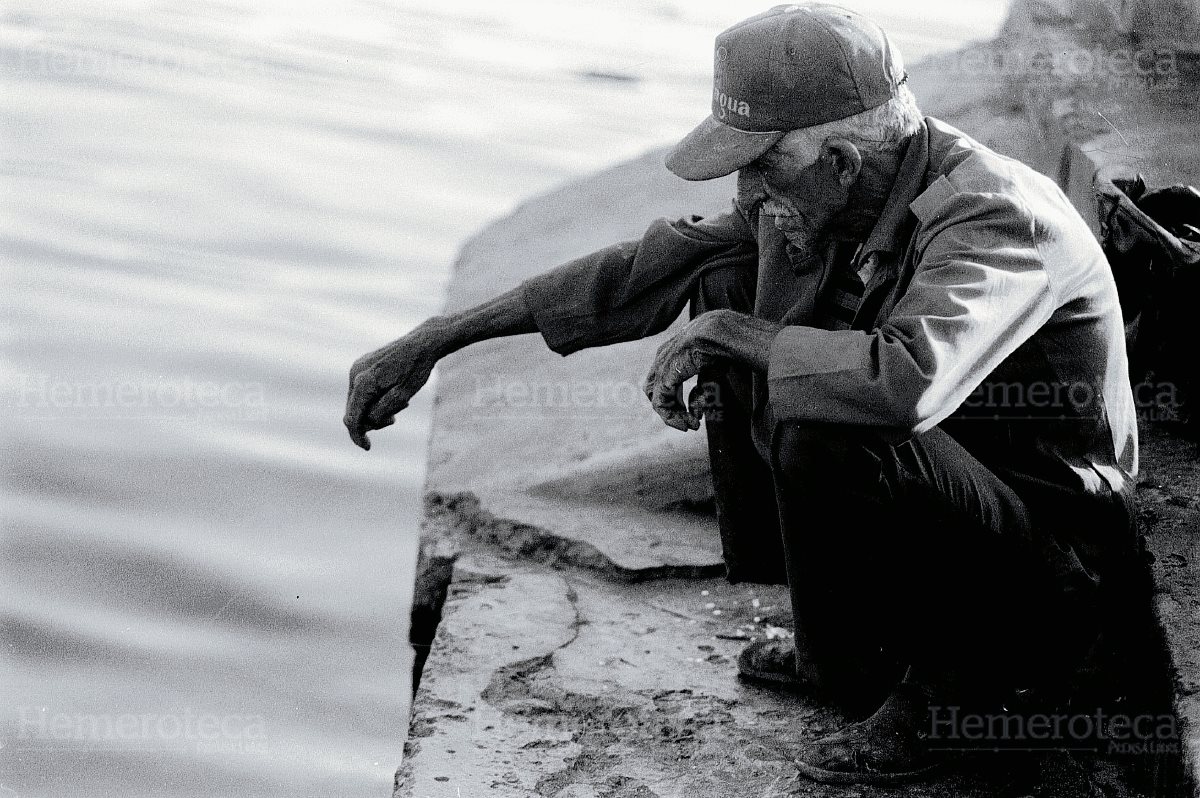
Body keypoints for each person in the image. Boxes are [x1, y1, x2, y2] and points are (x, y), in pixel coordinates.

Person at [345, 3, 1142, 784]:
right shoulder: (829, 199)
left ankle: (955, 697)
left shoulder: (995, 215)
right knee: (726, 285)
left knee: (832, 411)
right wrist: (436, 338)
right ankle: (841, 648)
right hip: (971, 511)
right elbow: (644, 268)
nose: (750, 194)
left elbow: (904, 386)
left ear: (841, 163)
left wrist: (732, 334)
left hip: (1060, 574)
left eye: (763, 167)